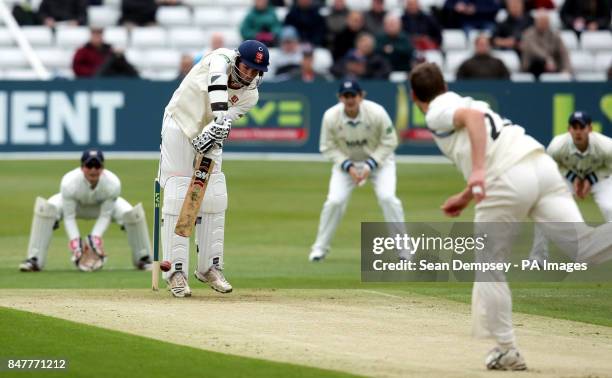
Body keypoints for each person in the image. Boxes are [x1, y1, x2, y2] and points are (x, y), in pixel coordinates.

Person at [409, 62, 612, 371]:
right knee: (583, 246)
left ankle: (507, 350)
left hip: (504, 178)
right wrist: (465, 196)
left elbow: (474, 122)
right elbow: (486, 133)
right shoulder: (467, 100)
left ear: (414, 97)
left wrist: (478, 171)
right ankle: (505, 348)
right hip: (539, 165)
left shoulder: (438, 110)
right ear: (445, 85)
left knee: (488, 264)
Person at [159, 40, 269, 297]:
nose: (250, 74)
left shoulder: (251, 95)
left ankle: (209, 267)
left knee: (215, 194)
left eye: (256, 71)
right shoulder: (220, 57)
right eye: (247, 67)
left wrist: (217, 129)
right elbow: (217, 85)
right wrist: (220, 117)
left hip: (211, 132)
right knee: (178, 193)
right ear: (237, 60)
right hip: (179, 123)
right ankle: (175, 271)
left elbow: (228, 120)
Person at [309, 80, 406, 261]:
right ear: (340, 98)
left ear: (361, 96)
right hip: (346, 165)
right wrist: (347, 165)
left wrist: (371, 164)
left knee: (388, 198)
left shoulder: (376, 113)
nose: (349, 100)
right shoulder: (330, 116)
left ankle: (403, 250)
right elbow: (326, 147)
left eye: (353, 95)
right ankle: (319, 249)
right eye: (345, 96)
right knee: (334, 202)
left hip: (380, 163)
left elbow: (390, 141)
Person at [19, 149, 153, 273]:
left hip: (100, 208)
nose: (93, 170)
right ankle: (34, 260)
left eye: (97, 166)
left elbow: (105, 215)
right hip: (75, 207)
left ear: (103, 168)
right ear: (82, 167)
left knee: (132, 214)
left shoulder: (113, 183)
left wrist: (95, 238)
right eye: (89, 166)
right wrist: (75, 243)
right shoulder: (69, 182)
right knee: (46, 209)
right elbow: (69, 216)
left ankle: (143, 258)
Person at [530, 111, 612, 266]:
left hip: (600, 178)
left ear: (590, 129)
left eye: (582, 127)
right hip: (567, 176)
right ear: (569, 129)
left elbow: (610, 167)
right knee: (545, 208)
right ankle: (538, 258)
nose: (578, 131)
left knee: (610, 207)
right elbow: (550, 167)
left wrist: (590, 179)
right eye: (575, 127)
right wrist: (573, 178)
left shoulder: (606, 145)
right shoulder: (557, 145)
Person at [520, 10, 572, 79]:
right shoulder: (528, 34)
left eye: (545, 22)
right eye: (541, 21)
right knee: (538, 63)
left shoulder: (554, 35)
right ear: (536, 22)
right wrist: (547, 59)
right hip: (531, 66)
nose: (543, 24)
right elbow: (534, 50)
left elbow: (563, 52)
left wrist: (566, 69)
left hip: (552, 66)